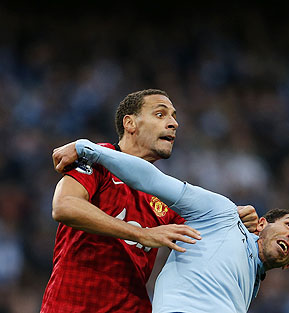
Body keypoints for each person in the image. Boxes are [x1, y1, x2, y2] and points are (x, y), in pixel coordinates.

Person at [41, 89, 258, 313]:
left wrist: (236, 219)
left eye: (174, 117)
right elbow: (64, 206)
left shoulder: (163, 195)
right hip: (72, 304)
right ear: (130, 124)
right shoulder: (98, 158)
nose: (174, 123)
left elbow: (206, 230)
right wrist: (142, 234)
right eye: (160, 114)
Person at [52, 139, 289, 313]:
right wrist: (87, 148)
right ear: (263, 224)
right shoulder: (222, 215)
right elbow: (152, 179)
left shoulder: (250, 283)